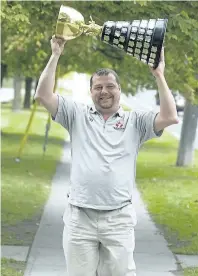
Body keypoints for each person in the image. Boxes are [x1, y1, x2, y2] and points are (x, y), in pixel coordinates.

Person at [34, 35, 179, 276]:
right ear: (90, 91)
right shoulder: (76, 114)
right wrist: (56, 54)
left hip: (118, 219)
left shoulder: (136, 121)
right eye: (98, 87)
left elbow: (170, 116)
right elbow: (43, 96)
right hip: (80, 218)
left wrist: (159, 75)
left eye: (110, 86)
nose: (104, 91)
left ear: (119, 90)